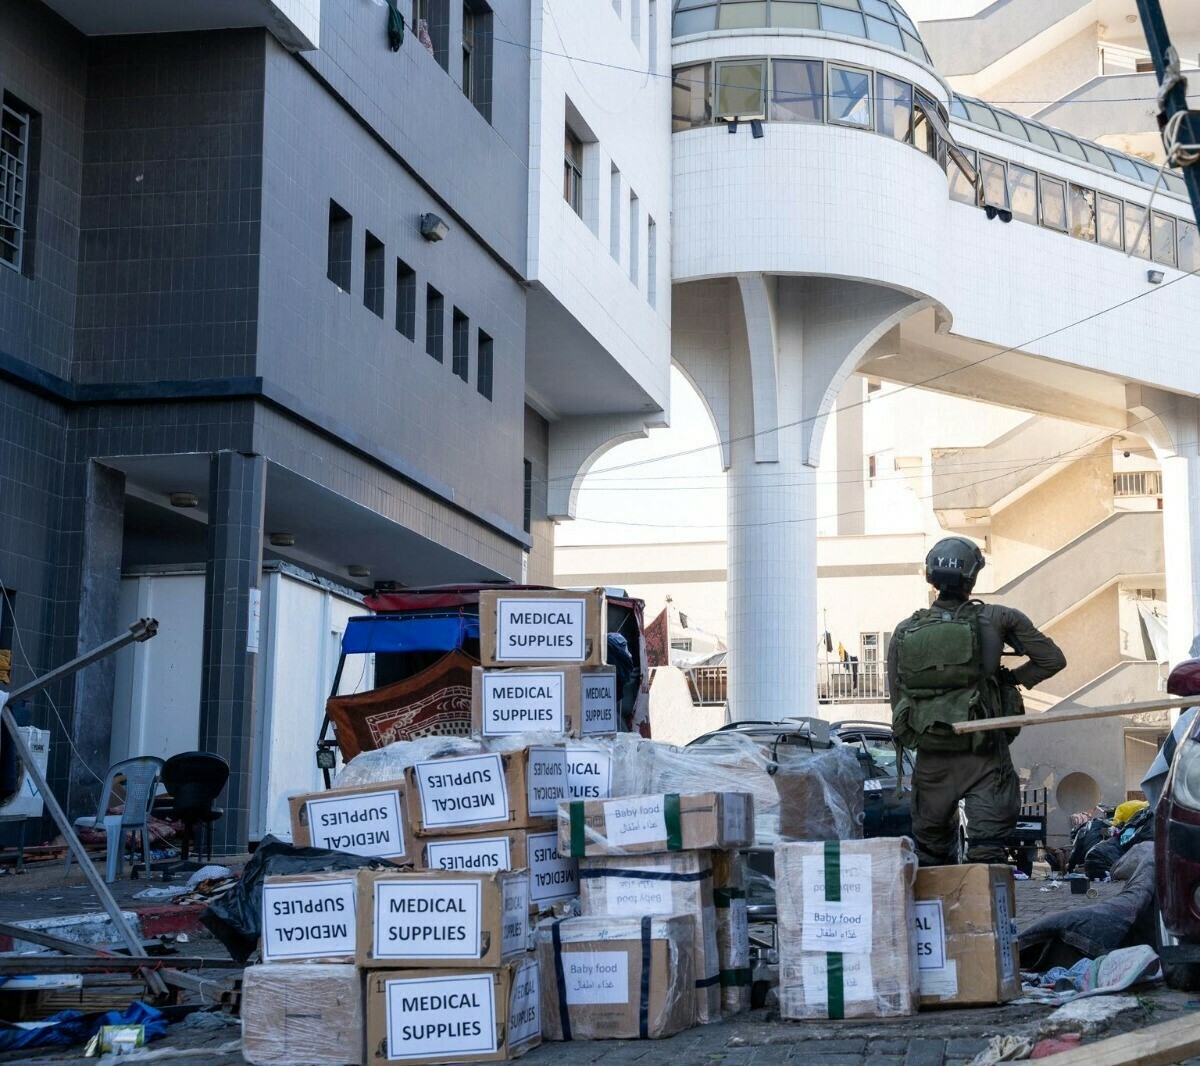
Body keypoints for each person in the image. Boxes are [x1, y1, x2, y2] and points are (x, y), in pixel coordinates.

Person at [888, 537, 1066, 866]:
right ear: (972, 578)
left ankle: (938, 916)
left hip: (932, 758)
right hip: (985, 755)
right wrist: (1009, 679)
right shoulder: (999, 618)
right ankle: (983, 915)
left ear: (930, 576)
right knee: (987, 854)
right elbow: (1052, 660)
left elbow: (898, 701)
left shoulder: (904, 631)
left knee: (931, 856)